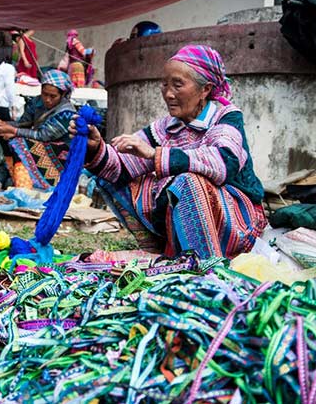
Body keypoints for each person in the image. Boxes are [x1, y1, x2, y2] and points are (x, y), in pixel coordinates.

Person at [74, 44, 267, 259]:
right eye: (164, 84)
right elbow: (121, 166)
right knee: (120, 177)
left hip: (237, 222)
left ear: (205, 89)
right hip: (189, 217)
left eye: (178, 85)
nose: (168, 93)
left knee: (189, 181)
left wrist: (155, 154)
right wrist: (96, 147)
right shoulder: (166, 127)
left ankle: (205, 261)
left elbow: (224, 163)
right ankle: (164, 246)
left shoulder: (225, 117)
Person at [0, 69, 76, 189]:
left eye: (53, 96)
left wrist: (13, 131)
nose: (47, 99)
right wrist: (2, 124)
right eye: (45, 94)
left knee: (18, 142)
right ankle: (15, 175)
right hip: (43, 145)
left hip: (60, 155)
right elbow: (23, 123)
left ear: (63, 95)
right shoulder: (37, 102)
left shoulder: (66, 113)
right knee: (5, 137)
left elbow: (43, 136)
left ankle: (25, 184)